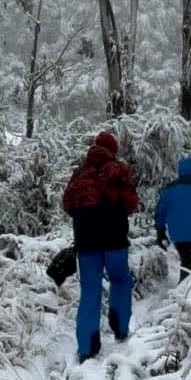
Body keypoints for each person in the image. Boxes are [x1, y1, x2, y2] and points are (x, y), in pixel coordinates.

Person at [62, 131, 139, 361]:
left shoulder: (79, 172)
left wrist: (85, 212)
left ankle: (86, 348)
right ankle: (120, 328)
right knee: (121, 279)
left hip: (86, 238)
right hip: (114, 235)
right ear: (113, 150)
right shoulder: (119, 169)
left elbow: (67, 203)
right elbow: (132, 202)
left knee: (90, 290)